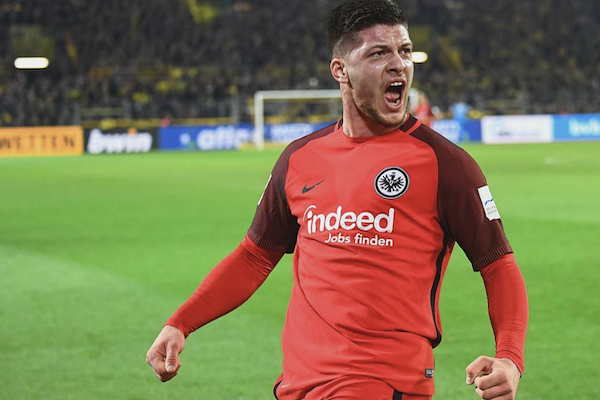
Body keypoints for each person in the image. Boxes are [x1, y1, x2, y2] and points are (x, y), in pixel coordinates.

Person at [146, 1, 529, 399]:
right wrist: (180, 323)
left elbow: (498, 265)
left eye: (404, 51)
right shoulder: (300, 159)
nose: (398, 65)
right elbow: (255, 256)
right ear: (340, 70)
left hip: (382, 383)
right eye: (379, 53)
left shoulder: (446, 165)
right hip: (297, 383)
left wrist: (510, 357)